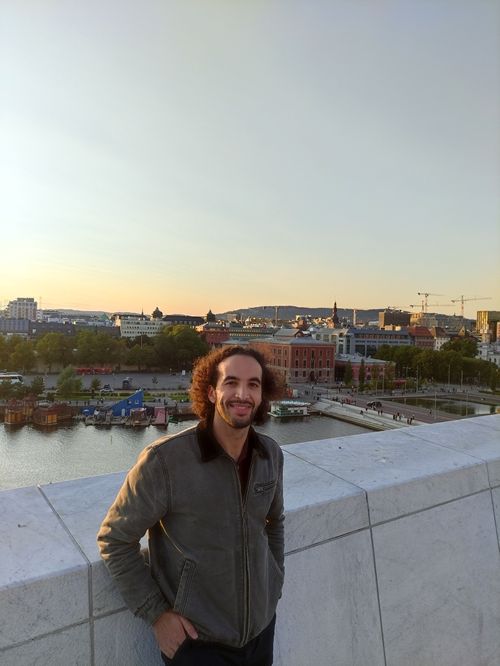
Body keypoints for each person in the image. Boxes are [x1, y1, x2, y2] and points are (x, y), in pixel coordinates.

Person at [97, 346, 284, 665]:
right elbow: (114, 540)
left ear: (261, 394)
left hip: (261, 633)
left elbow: (274, 522)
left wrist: (274, 583)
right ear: (211, 392)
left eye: (253, 384)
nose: (242, 394)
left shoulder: (270, 454)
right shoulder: (165, 461)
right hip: (198, 645)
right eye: (231, 382)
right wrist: (156, 614)